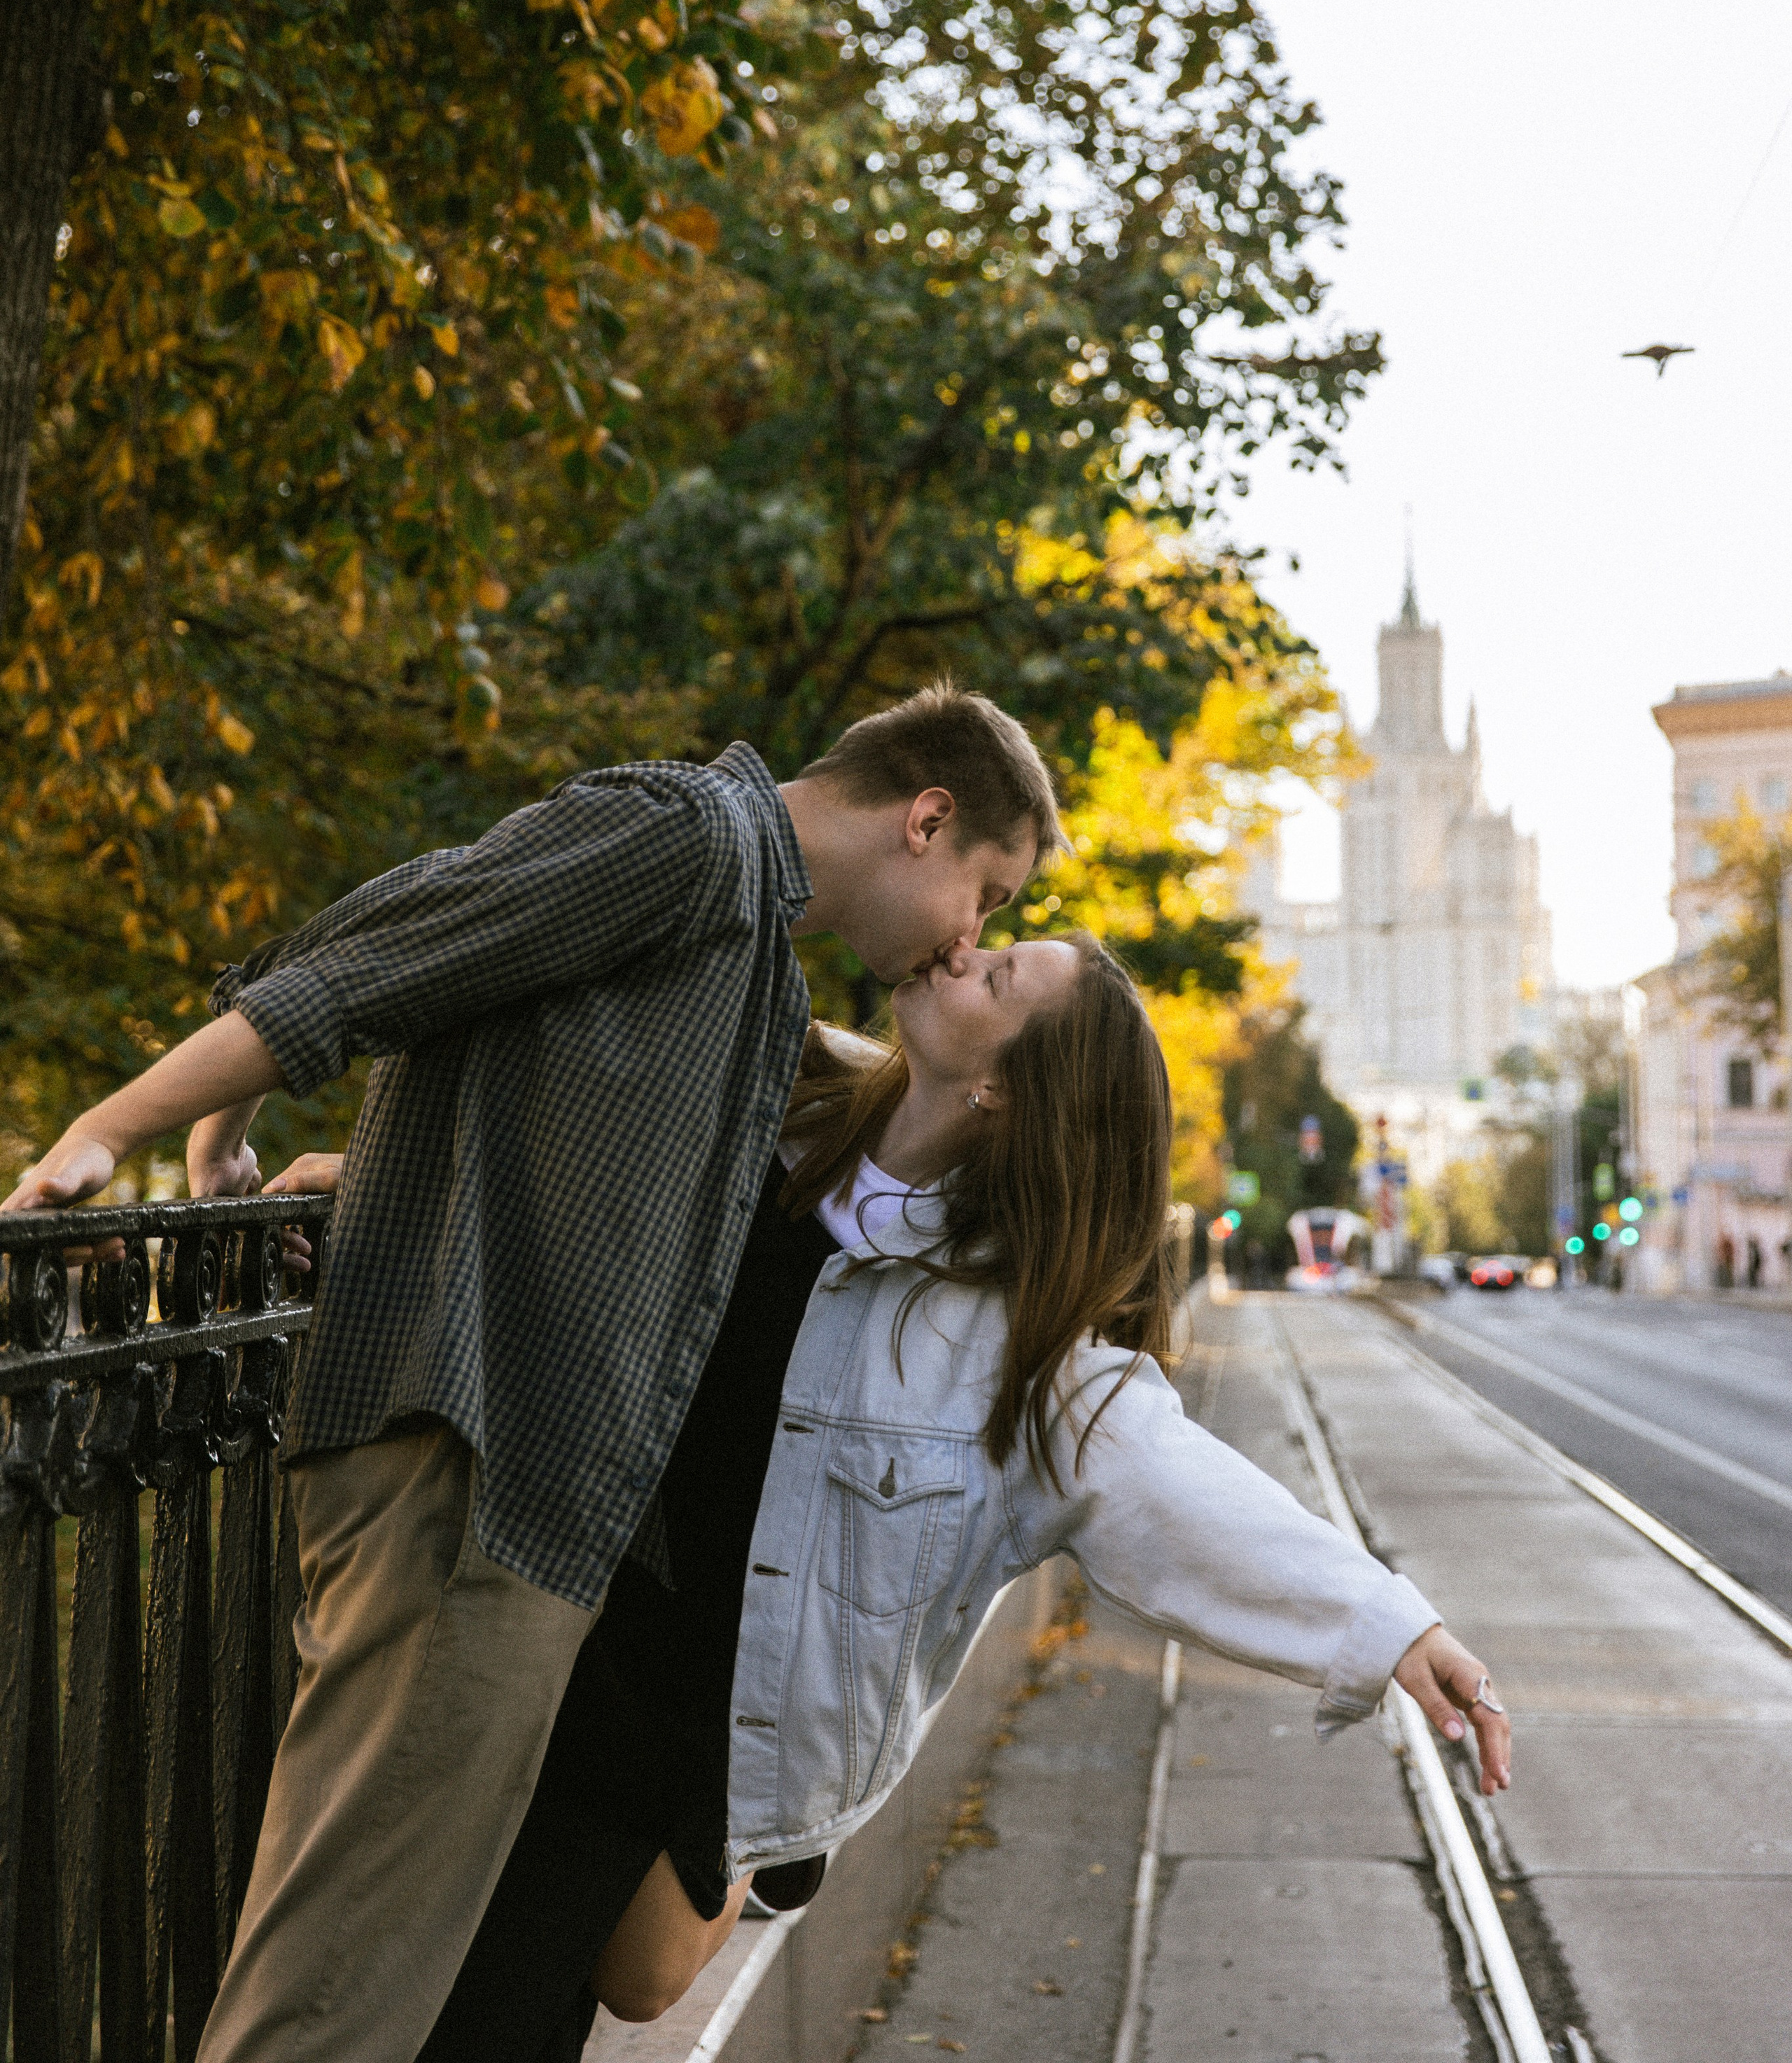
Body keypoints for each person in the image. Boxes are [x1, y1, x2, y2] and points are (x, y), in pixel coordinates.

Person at [2, 687, 1059, 2063]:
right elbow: (407, 939)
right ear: (927, 820)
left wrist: (296, 1139)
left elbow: (450, 943)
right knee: (336, 2001)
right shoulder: (696, 843)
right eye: (986, 891)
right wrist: (123, 1123)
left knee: (367, 1982)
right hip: (472, 1479)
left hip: (520, 1514)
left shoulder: (751, 964)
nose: (970, 934)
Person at [398, 925, 1511, 2059]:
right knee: (497, 1982)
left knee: (591, 1983)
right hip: (573, 1650)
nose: (960, 950)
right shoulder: (769, 1099)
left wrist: (1392, 1627)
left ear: (1003, 1089)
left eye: (999, 976)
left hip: (709, 1729)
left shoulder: (1015, 1347)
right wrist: (380, 1198)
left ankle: (735, 1859)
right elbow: (560, 1167)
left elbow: (1185, 1491)